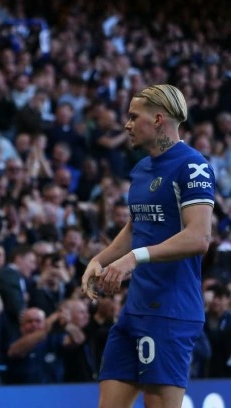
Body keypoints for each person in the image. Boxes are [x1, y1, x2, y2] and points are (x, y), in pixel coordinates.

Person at [81, 84, 216, 408]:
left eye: (133, 117)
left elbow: (199, 237)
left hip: (170, 312)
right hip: (134, 311)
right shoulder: (141, 169)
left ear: (157, 119)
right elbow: (136, 225)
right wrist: (99, 260)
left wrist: (133, 259)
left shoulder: (192, 166)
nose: (126, 125)